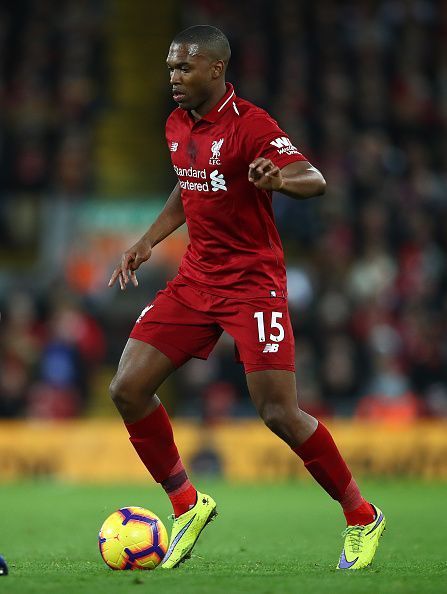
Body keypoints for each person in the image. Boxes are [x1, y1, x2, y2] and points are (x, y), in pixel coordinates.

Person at [108, 25, 386, 571]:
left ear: (216, 69)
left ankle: (361, 514)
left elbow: (315, 178)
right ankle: (186, 503)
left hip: (253, 285)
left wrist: (279, 182)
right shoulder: (175, 124)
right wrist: (147, 240)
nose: (173, 78)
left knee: (278, 411)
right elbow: (189, 184)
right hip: (195, 279)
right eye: (169, 68)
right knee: (126, 388)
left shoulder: (251, 125)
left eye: (183, 68)